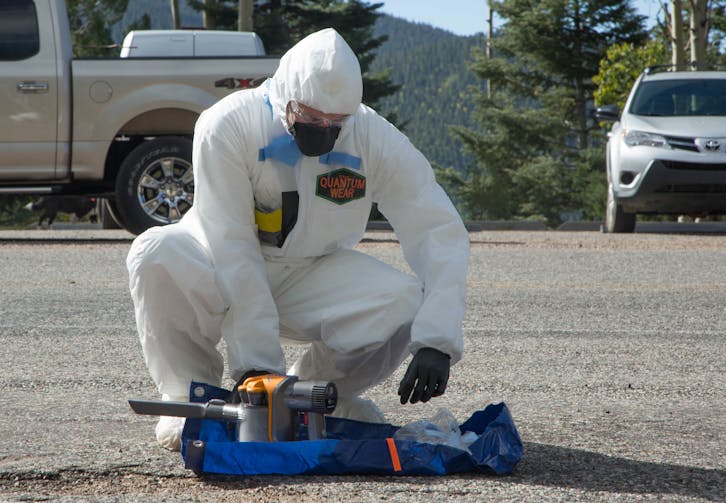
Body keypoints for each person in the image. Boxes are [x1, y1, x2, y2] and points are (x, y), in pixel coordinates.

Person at [126, 28, 470, 451]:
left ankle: (318, 399)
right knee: (155, 253)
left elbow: (436, 227)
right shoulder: (227, 124)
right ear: (283, 94)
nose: (323, 130)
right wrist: (258, 368)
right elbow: (231, 244)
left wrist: (437, 338)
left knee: (404, 303)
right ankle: (189, 398)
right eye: (310, 119)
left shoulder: (371, 135)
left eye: (336, 123)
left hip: (312, 270)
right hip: (216, 263)